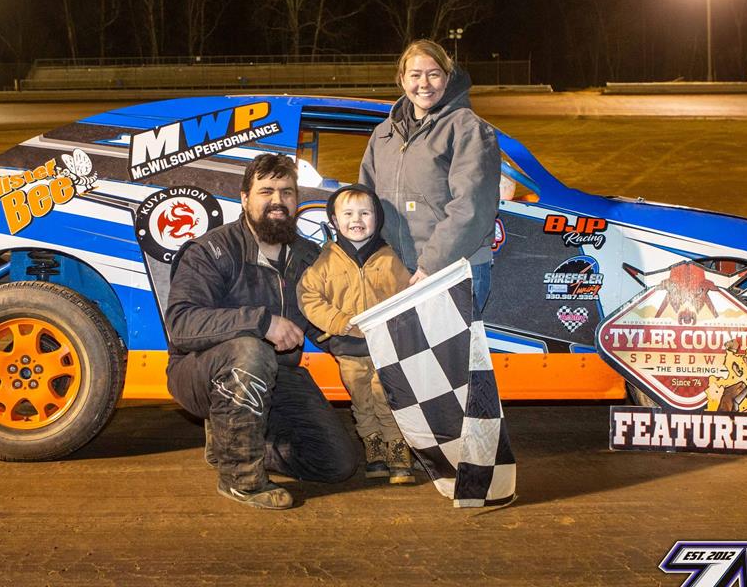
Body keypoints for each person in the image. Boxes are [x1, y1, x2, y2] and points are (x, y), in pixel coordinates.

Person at [164, 153, 358, 510]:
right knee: (250, 350)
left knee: (337, 463)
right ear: (244, 198)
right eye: (266, 191)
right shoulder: (212, 250)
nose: (277, 201)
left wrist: (364, 339)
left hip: (277, 374)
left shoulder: (308, 256)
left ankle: (232, 442)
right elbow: (181, 324)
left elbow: (321, 321)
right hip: (201, 373)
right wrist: (262, 322)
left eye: (287, 192)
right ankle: (242, 479)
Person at [359, 39, 502, 315]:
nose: (424, 84)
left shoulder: (468, 128)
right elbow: (366, 200)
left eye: (433, 74)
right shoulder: (383, 134)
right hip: (399, 271)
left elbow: (472, 207)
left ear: (447, 78)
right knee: (402, 358)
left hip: (452, 270)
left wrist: (430, 266)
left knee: (451, 360)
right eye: (415, 75)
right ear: (402, 79)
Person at [297, 184, 415, 484]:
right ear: (335, 221)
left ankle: (397, 448)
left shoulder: (390, 259)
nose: (356, 219)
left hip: (386, 346)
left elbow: (407, 297)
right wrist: (340, 322)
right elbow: (309, 298)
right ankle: (373, 447)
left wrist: (397, 323)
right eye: (347, 213)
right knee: (362, 400)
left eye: (365, 212)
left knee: (387, 397)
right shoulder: (325, 261)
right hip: (348, 348)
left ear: (377, 219)